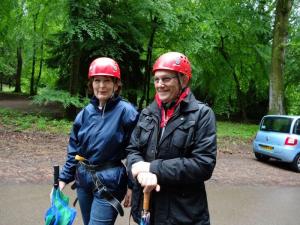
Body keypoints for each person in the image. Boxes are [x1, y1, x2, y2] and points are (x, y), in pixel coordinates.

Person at [126, 52, 217, 225]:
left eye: (166, 79)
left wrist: (153, 168)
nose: (160, 85)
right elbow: (132, 150)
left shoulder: (202, 115)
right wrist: (143, 173)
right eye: (156, 79)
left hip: (182, 215)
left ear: (183, 80)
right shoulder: (147, 113)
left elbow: (203, 164)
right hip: (147, 209)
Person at [58, 57, 139, 225]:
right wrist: (63, 179)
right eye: (97, 80)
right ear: (91, 84)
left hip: (110, 182)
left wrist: (132, 186)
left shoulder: (127, 112)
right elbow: (74, 150)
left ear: (116, 85)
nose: (101, 86)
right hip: (83, 180)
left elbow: (135, 151)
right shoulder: (85, 113)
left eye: (107, 81)